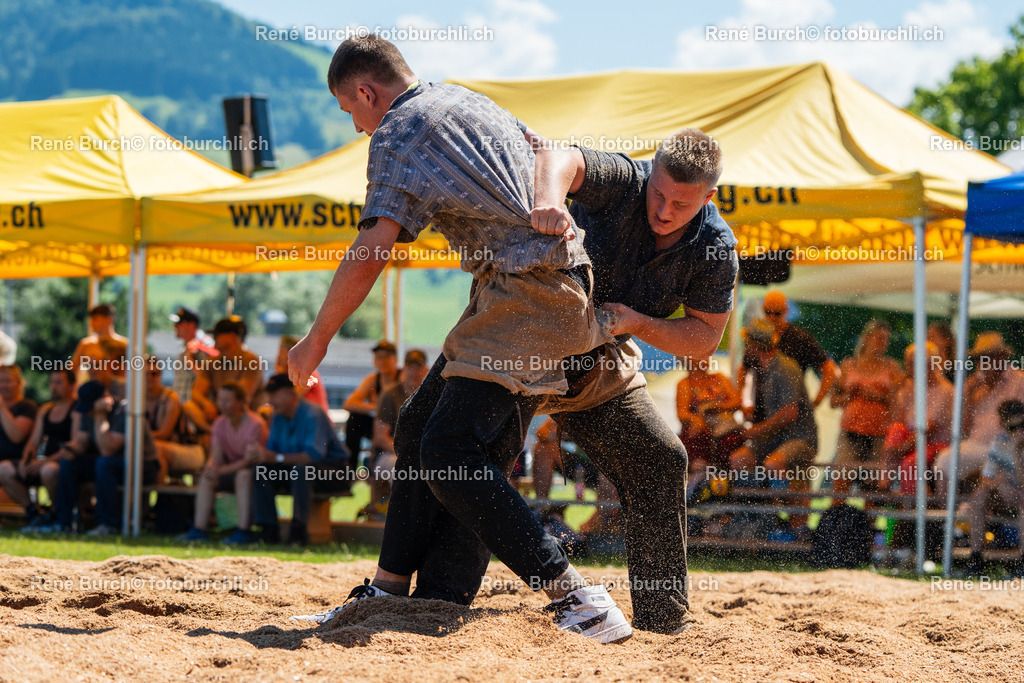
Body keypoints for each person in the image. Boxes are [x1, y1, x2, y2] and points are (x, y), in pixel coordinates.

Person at [293, 121, 736, 638]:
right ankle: (437, 598)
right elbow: (562, 157)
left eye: (680, 204)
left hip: (600, 360)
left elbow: (705, 337)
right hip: (528, 337)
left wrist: (637, 322)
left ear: (709, 197)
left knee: (660, 459)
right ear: (650, 172)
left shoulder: (715, 246)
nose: (662, 210)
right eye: (658, 194)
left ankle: (663, 622)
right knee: (435, 435)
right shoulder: (625, 180)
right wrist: (549, 201)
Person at [287, 36, 630, 643]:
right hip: (537, 286)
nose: (357, 126)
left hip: (530, 292)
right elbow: (548, 153)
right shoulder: (467, 101)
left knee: (448, 450)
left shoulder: (397, 131)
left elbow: (372, 248)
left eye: (349, 111)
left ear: (366, 92)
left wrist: (316, 339)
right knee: (420, 429)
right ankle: (390, 590)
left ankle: (576, 596)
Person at [249, 374, 349, 546]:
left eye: (274, 395)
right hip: (299, 472)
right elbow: (272, 452)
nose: (270, 401)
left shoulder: (312, 413)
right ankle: (268, 529)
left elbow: (313, 456)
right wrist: (258, 455)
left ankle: (298, 531)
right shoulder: (277, 416)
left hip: (333, 474)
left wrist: (275, 457)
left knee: (302, 469)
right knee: (262, 469)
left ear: (290, 393)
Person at [934, 332, 1024, 497]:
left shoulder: (1019, 381)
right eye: (979, 359)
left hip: (1007, 446)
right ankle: (946, 510)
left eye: (987, 358)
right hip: (976, 445)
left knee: (991, 469)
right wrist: (968, 395)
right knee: (944, 461)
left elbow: (1019, 423)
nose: (982, 364)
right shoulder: (974, 386)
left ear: (1001, 358)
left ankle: (969, 508)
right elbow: (963, 430)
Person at [179, 382, 267, 545]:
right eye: (220, 400)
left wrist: (220, 470)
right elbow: (216, 454)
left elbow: (249, 461)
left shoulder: (255, 424)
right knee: (207, 477)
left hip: (254, 473)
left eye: (227, 401)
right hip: (229, 471)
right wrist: (211, 467)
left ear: (240, 402)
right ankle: (199, 529)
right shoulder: (219, 423)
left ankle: (244, 530)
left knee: (243, 475)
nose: (222, 405)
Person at [730, 320, 818, 481]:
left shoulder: (785, 368)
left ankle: (785, 496)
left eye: (747, 344)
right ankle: (751, 496)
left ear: (755, 346)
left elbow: (789, 414)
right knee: (738, 459)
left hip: (800, 439)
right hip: (776, 438)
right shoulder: (765, 368)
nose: (746, 348)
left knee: (773, 464)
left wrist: (756, 430)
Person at [830, 320, 903, 493]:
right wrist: (849, 396)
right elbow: (833, 401)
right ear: (867, 338)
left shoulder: (892, 367)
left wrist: (879, 396)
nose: (884, 342)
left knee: (871, 488)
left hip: (879, 434)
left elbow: (900, 404)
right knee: (841, 483)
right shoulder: (849, 365)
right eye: (880, 337)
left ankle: (868, 512)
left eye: (886, 339)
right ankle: (838, 511)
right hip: (850, 431)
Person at [1, 369, 76, 531]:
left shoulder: (76, 410)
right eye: (52, 382)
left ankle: (58, 515)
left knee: (49, 470)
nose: (53, 387)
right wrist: (25, 460)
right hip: (42, 463)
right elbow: (33, 442)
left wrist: (44, 462)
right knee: (4, 469)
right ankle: (34, 513)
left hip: (65, 462)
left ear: (72, 386)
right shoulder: (45, 410)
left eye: (59, 383)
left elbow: (73, 445)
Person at [87, 383, 162, 536]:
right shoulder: (88, 411)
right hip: (118, 463)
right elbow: (81, 441)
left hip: (144, 466)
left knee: (103, 464)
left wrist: (100, 416)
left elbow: (108, 449)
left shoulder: (125, 410)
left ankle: (108, 524)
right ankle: (63, 521)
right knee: (70, 464)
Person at [363, 349, 430, 520]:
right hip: (386, 455)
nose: (414, 372)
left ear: (426, 370)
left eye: (418, 367)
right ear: (404, 369)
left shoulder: (430, 396)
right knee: (402, 469)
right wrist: (407, 454)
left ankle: (428, 522)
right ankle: (403, 521)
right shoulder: (390, 395)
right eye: (410, 367)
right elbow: (380, 437)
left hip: (420, 455)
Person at [880, 343, 954, 494]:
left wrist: (900, 448)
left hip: (935, 445)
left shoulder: (946, 391)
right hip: (912, 442)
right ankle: (885, 483)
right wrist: (895, 391)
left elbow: (927, 429)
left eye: (912, 363)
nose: (908, 368)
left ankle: (909, 505)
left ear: (929, 364)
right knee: (896, 429)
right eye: (907, 363)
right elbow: (896, 420)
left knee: (910, 463)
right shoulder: (910, 387)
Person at [965, 399, 1024, 577]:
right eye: (1013, 428)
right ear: (1003, 425)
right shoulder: (999, 442)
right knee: (979, 497)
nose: (1019, 431)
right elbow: (986, 478)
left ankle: (1022, 562)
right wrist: (1000, 484)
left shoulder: (1016, 442)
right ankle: (976, 558)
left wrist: (1016, 450)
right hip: (1010, 496)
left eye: (1022, 425)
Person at [185, 316, 265, 433]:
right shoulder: (211, 362)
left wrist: (218, 405)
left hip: (244, 417)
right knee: (189, 406)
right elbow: (196, 393)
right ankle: (214, 432)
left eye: (217, 335)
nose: (214, 338)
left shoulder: (251, 360)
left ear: (231, 337)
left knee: (236, 409)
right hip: (220, 411)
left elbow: (241, 398)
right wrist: (206, 404)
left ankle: (218, 434)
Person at [676, 357, 743, 470]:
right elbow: (682, 413)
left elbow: (737, 401)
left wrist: (718, 406)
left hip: (724, 427)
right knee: (695, 432)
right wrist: (697, 420)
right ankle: (701, 468)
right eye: (700, 355)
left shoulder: (720, 377)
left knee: (731, 438)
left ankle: (726, 469)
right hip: (701, 429)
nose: (705, 358)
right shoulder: (685, 384)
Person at [145, 356, 204, 483]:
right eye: (145, 374)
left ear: (160, 375)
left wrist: (137, 437)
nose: (149, 378)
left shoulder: (170, 399)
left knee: (156, 449)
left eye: (153, 374)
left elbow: (164, 434)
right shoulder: (137, 400)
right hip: (155, 447)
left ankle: (159, 492)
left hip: (187, 449)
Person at [342, 341, 399, 470]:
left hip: (397, 427)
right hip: (380, 427)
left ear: (395, 359)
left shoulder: (403, 378)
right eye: (379, 357)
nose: (382, 361)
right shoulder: (372, 380)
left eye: (386, 357)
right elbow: (348, 404)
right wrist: (378, 407)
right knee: (354, 419)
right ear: (374, 361)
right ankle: (350, 467)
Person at [0, 365, 40, 521]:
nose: (3, 386)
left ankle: (32, 511)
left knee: (3, 469)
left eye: (7, 381)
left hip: (18, 463)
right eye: (0, 381)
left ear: (18, 383)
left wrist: (2, 408)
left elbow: (16, 436)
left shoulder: (26, 407)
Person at [169, 306, 216, 409]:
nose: (175, 326)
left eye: (180, 323)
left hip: (196, 410)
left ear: (192, 325)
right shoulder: (183, 349)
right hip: (180, 409)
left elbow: (209, 379)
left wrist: (190, 360)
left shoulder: (206, 347)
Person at [70, 303, 128, 385]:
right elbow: (72, 371)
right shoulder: (86, 345)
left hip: (118, 389)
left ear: (109, 320)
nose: (91, 323)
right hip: (93, 390)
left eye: (95, 319)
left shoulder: (124, 345)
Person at [276, 335, 329, 413]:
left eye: (282, 353)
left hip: (314, 417)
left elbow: (291, 397)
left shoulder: (306, 371)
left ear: (291, 355)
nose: (278, 356)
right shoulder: (285, 372)